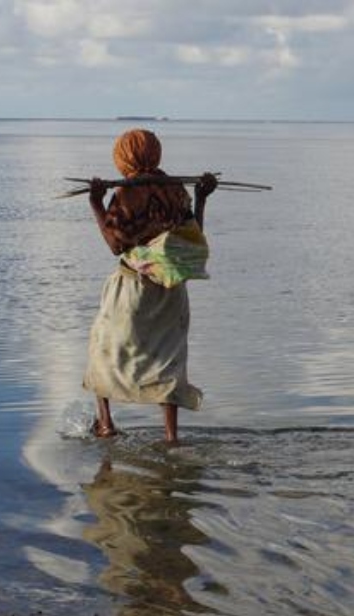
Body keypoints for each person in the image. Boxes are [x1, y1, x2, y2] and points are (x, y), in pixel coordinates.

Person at [82, 129, 217, 443]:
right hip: (171, 291)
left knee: (103, 350)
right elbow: (191, 236)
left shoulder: (128, 194)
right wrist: (202, 198)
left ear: (125, 157)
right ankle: (171, 436)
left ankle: (105, 423)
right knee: (167, 358)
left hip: (133, 288)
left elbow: (116, 245)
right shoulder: (176, 191)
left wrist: (95, 203)